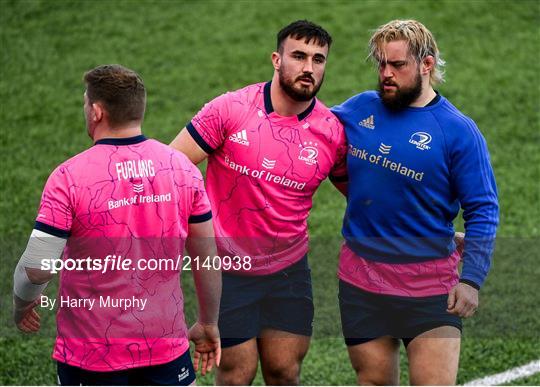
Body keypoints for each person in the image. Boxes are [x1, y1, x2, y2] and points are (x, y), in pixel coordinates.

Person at [13, 64, 221, 385]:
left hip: (92, 356)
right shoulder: (182, 168)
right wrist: (208, 322)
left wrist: (22, 303)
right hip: (166, 349)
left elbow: (37, 268)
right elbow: (207, 257)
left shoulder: (68, 177)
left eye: (86, 103)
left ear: (96, 112)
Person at [170, 20, 347, 385]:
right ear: (276, 60)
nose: (308, 68)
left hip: (289, 272)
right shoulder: (230, 110)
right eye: (298, 56)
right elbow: (170, 167)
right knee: (237, 373)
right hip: (227, 273)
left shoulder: (332, 132)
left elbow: (367, 197)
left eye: (318, 59)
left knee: (284, 371)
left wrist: (434, 232)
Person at [332, 20, 499, 384]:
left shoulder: (457, 130)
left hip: (430, 287)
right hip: (362, 281)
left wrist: (471, 279)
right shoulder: (359, 109)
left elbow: (483, 208)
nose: (386, 74)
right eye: (381, 64)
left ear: (426, 64)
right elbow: (311, 138)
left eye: (397, 65)